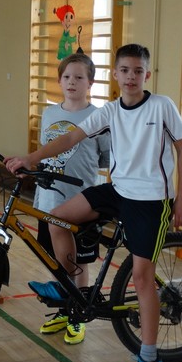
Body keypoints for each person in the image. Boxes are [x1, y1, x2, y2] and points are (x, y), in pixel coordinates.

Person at [6, 43, 182, 362]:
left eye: (138, 71)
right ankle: (70, 287)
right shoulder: (110, 111)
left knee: (141, 279)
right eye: (125, 70)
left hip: (151, 200)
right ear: (115, 74)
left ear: (147, 75)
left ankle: (149, 358)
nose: (131, 77)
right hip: (117, 191)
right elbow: (70, 138)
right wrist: (30, 159)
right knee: (56, 218)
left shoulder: (162, 106)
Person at [33, 53, 110, 345]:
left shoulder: (98, 116)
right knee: (57, 261)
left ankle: (79, 313)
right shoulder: (49, 114)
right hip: (48, 201)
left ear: (90, 83)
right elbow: (46, 150)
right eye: (67, 77)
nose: (72, 82)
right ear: (59, 81)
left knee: (79, 261)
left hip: (80, 202)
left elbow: (105, 157)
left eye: (79, 77)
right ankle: (64, 310)